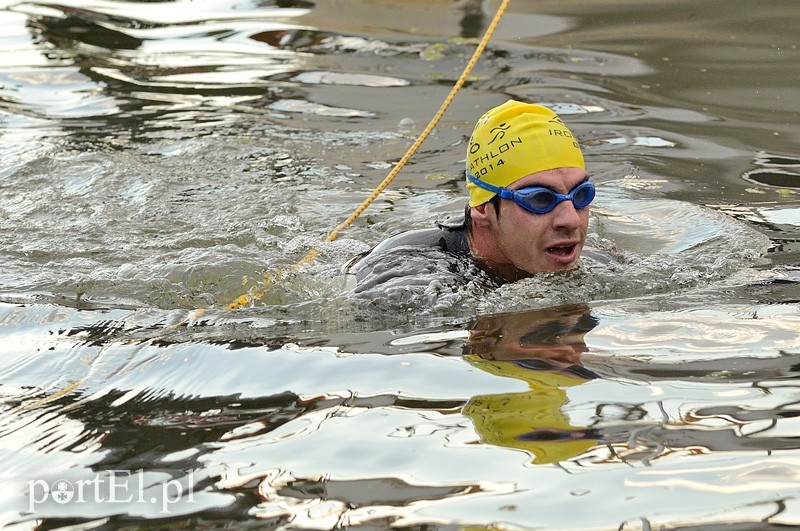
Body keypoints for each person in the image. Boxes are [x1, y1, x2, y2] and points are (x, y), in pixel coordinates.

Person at [344, 99, 594, 293]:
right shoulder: (407, 275)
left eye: (581, 195)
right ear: (483, 207)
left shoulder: (600, 259)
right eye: (540, 199)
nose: (571, 220)